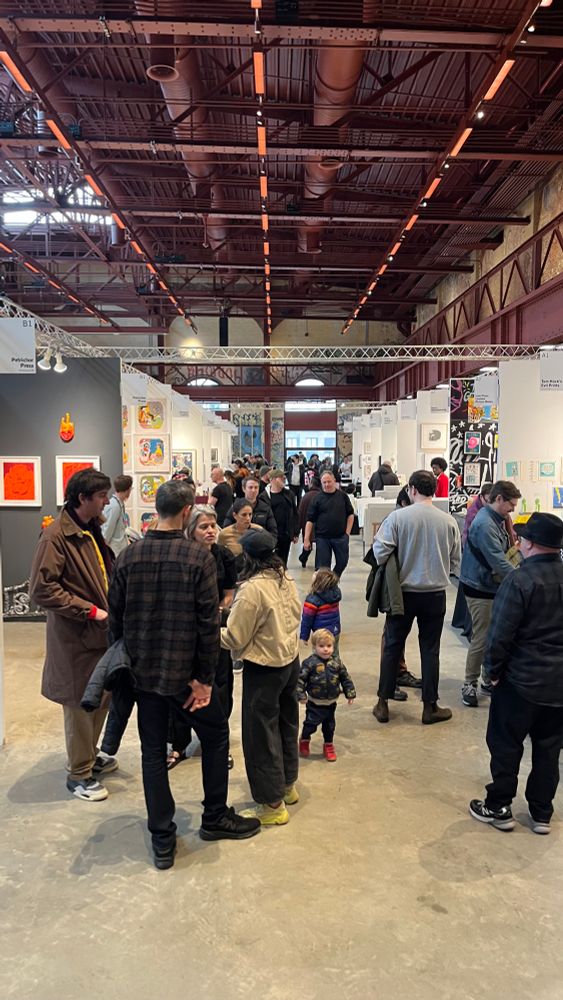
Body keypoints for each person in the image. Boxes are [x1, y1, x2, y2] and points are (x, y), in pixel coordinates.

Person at [108, 480, 260, 869]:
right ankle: (214, 817)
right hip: (186, 676)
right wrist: (205, 679)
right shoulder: (198, 559)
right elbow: (207, 625)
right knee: (215, 736)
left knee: (152, 752)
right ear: (187, 511)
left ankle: (162, 838)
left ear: (155, 511)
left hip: (144, 675)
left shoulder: (129, 556)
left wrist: (126, 666)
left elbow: (116, 621)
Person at [469, 513, 563, 835]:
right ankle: (541, 813)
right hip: (558, 687)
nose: (519, 543)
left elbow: (499, 634)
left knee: (506, 743)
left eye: (523, 539)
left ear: (532, 543)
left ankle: (499, 806)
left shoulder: (520, 580)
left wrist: (492, 673)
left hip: (520, 681)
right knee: (549, 750)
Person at [29, 468, 114, 802]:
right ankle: (79, 774)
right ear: (83, 498)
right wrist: (89, 610)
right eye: (102, 496)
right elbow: (42, 589)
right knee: (80, 703)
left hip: (100, 634)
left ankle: (89, 757)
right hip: (77, 637)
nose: (107, 501)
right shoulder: (55, 537)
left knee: (100, 697)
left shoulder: (91, 528)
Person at [220, 529, 301, 826]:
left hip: (265, 668)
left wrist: (207, 630)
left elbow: (234, 636)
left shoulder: (252, 590)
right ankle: (287, 785)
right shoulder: (286, 578)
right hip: (290, 661)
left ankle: (272, 804)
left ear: (250, 558)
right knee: (286, 724)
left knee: (260, 737)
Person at [372, 469, 461, 726]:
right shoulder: (448, 521)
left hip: (404, 594)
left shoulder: (399, 518)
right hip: (435, 594)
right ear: (434, 489)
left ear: (411, 488)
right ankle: (429, 706)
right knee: (430, 649)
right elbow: (456, 561)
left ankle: (383, 703)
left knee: (392, 645)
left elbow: (379, 553)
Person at [167, 506, 238, 771]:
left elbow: (230, 591)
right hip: (185, 632)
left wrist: (220, 607)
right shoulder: (182, 555)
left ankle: (218, 743)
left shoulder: (225, 556)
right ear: (191, 530)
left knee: (220, 687)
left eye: (213, 526)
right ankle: (178, 744)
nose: (210, 531)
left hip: (215, 629)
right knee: (181, 687)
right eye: (204, 527)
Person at [459, 480, 521, 707]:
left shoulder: (497, 519)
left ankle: (486, 679)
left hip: (489, 586)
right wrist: (520, 579)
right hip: (479, 587)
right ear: (498, 499)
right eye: (510, 505)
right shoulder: (485, 524)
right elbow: (498, 561)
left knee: (491, 636)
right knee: (482, 637)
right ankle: (469, 683)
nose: (512, 509)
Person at [298, 628, 356, 762]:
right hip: (314, 703)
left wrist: (350, 693)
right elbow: (300, 680)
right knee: (310, 725)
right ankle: (305, 739)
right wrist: (301, 695)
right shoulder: (309, 664)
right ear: (314, 647)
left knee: (329, 727)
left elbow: (345, 678)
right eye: (321, 646)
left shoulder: (337, 663)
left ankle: (328, 745)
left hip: (331, 703)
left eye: (329, 646)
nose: (325, 649)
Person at [303, 470, 355, 577]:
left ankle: (333, 580)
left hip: (340, 537)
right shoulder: (317, 498)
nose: (327, 485)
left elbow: (350, 514)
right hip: (323, 538)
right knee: (322, 568)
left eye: (329, 482)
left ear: (334, 481)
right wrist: (306, 539)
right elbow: (310, 520)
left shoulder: (343, 496)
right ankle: (325, 587)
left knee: (342, 562)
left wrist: (347, 533)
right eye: (324, 482)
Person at [300, 568, 342, 654]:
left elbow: (307, 619)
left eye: (316, 574)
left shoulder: (313, 599)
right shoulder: (335, 595)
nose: (314, 572)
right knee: (334, 653)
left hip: (320, 635)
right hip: (335, 631)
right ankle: (335, 666)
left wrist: (304, 636)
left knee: (319, 656)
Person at [218, 498, 263, 570]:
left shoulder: (259, 530)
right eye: (244, 515)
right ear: (235, 515)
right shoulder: (224, 534)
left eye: (250, 514)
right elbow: (220, 557)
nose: (248, 518)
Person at [266, 469, 299, 566]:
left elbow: (295, 513)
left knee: (283, 561)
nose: (284, 479)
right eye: (281, 477)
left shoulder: (289, 494)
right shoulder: (265, 496)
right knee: (271, 561)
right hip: (271, 534)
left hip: (285, 534)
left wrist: (296, 532)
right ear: (273, 479)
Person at [101, 474, 132, 556]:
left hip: (119, 550)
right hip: (114, 552)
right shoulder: (114, 506)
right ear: (127, 490)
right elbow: (107, 532)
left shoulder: (119, 504)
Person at [297, 475, 321, 567]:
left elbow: (300, 512)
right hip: (320, 526)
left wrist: (297, 529)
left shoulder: (305, 497)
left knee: (308, 543)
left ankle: (303, 558)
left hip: (306, 524)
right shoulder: (322, 496)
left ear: (311, 484)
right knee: (320, 545)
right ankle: (318, 564)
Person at [462, 482, 493, 546]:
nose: (490, 505)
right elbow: (467, 538)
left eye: (492, 502)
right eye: (487, 501)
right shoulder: (473, 513)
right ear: (481, 497)